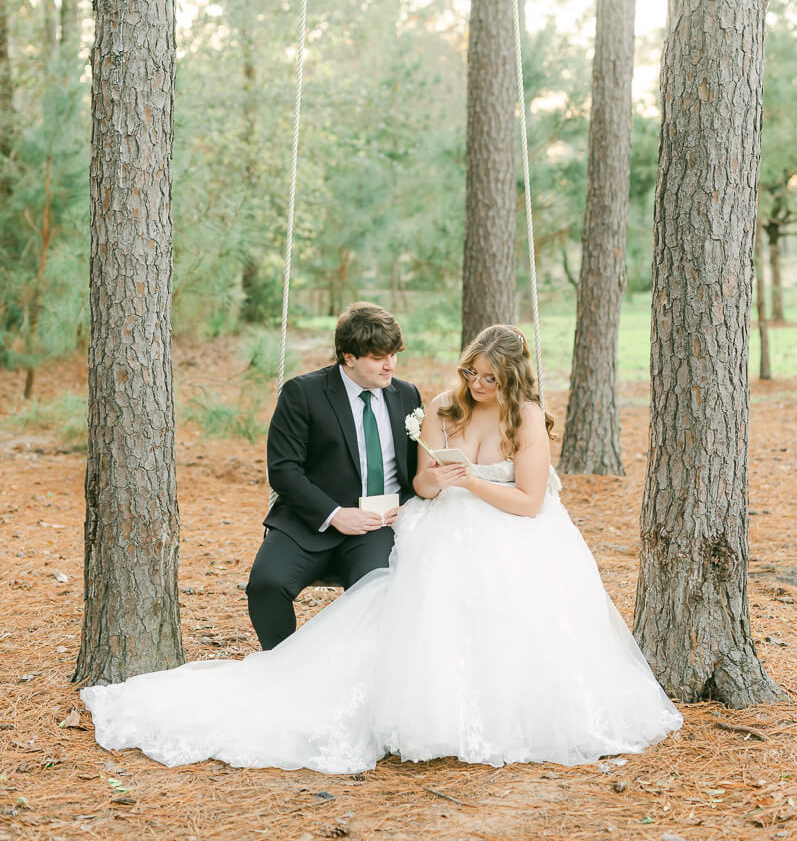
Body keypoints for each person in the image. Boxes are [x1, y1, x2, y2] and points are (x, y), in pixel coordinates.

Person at [81, 325, 682, 771]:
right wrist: (438, 480)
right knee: (405, 604)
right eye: (470, 372)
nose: (475, 385)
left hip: (513, 531)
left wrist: (471, 480)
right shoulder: (442, 407)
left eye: (487, 378)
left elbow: (529, 501)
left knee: (510, 612)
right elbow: (419, 483)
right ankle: (306, 680)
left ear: (513, 378)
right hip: (441, 521)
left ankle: (504, 712)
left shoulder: (526, 418)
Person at [246, 301, 422, 648]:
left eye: (394, 354)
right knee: (266, 585)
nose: (390, 365)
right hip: (310, 521)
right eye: (378, 357)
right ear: (348, 357)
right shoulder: (303, 393)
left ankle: (354, 678)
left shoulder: (406, 394)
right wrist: (335, 515)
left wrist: (409, 505)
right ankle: (279, 666)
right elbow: (284, 470)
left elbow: (416, 468)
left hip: (377, 525)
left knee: (377, 590)